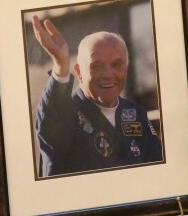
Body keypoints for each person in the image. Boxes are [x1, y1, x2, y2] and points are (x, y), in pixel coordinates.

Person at [31, 15, 163, 177]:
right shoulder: (65, 113)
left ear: (126, 69)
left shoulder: (136, 113)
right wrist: (60, 65)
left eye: (117, 64)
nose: (108, 74)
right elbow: (51, 117)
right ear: (79, 72)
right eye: (97, 66)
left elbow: (158, 168)